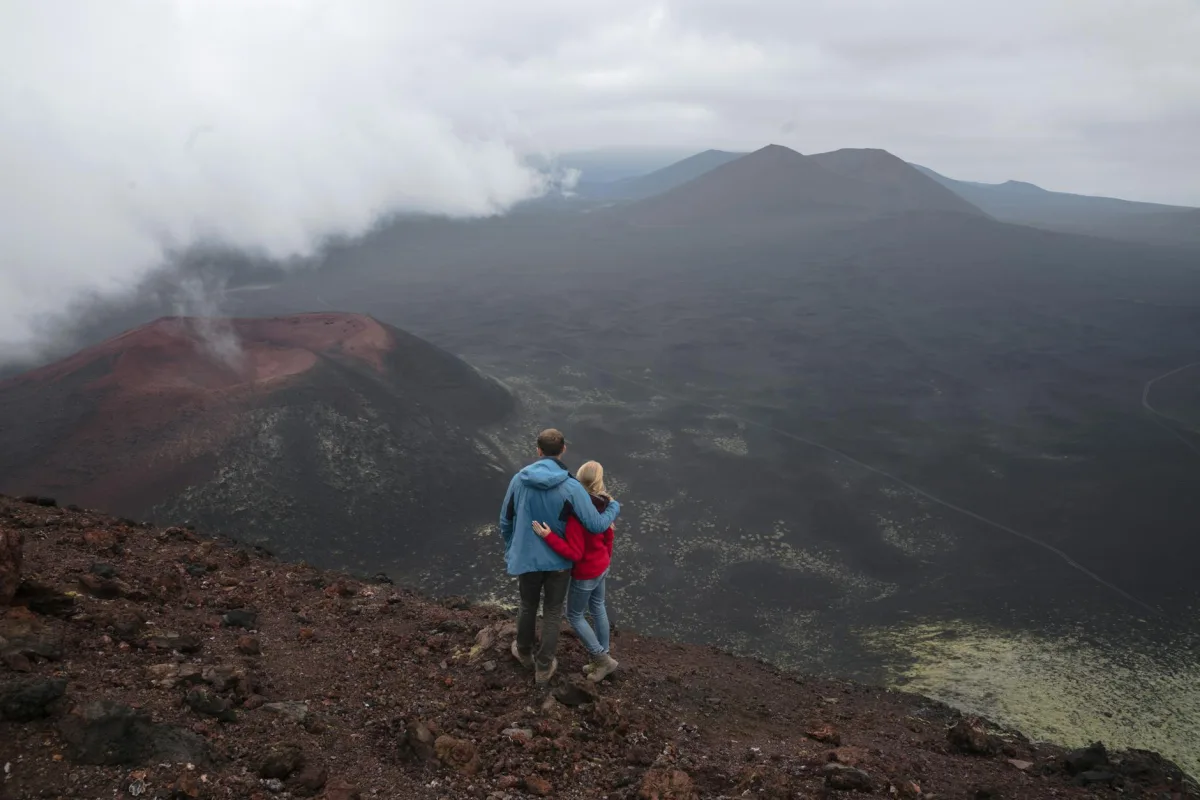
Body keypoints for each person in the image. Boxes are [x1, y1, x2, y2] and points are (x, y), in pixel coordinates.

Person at [499, 429, 621, 684]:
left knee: (527, 605)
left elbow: (506, 519)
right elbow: (595, 525)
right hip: (559, 562)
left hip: (527, 560)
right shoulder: (572, 487)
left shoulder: (519, 480)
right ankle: (544, 667)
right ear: (563, 449)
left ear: (538, 450)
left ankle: (524, 652)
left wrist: (512, 548)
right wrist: (614, 508)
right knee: (553, 612)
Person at [532, 460, 619, 682]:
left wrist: (548, 536)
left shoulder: (576, 516)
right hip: (602, 565)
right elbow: (609, 537)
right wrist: (606, 560)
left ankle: (601, 659)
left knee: (574, 615)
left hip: (586, 573)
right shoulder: (604, 506)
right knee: (598, 607)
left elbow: (575, 553)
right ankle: (604, 655)